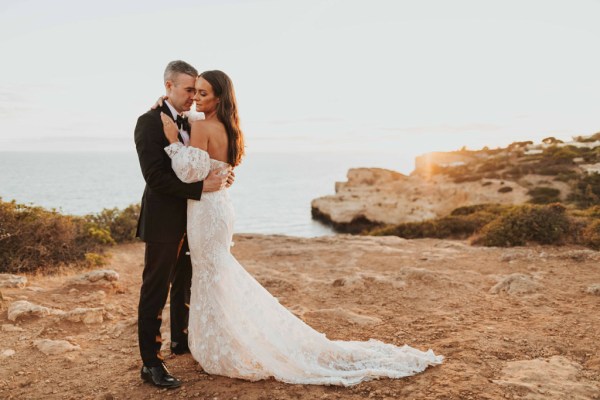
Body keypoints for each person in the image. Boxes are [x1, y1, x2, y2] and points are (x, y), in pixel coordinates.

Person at [160, 69, 443, 387]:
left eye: (203, 93)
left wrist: (173, 141)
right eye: (194, 91)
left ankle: (223, 345)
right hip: (220, 208)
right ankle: (224, 338)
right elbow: (216, 169)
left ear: (219, 97)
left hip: (206, 211)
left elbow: (190, 174)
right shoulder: (231, 127)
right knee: (215, 274)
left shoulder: (199, 125)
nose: (196, 98)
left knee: (211, 273)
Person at [134, 60, 233, 389]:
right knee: (155, 290)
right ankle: (151, 364)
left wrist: (221, 174)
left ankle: (182, 340)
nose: (193, 96)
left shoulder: (194, 119)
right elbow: (156, 178)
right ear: (168, 87)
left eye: (197, 90)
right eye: (188, 89)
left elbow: (206, 157)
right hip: (164, 219)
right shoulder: (148, 123)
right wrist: (199, 188)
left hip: (196, 218)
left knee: (186, 284)